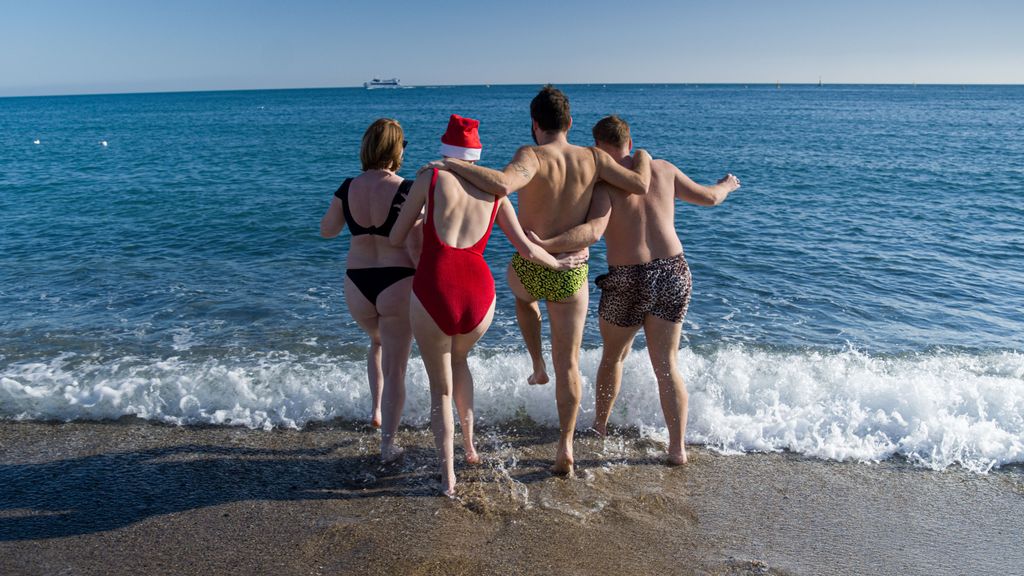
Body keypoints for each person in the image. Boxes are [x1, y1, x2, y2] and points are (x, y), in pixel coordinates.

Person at [440, 85, 652, 476]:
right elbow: (640, 185)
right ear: (570, 123)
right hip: (571, 274)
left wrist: (453, 165)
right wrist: (642, 156)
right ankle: (565, 445)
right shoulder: (593, 159)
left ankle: (537, 362)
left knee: (521, 295)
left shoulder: (531, 155)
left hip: (532, 266)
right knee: (569, 364)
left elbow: (501, 184)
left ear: (535, 124)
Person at [530, 115, 740, 464]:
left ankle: (599, 428)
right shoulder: (664, 169)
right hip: (673, 272)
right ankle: (677, 449)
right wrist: (728, 184)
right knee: (666, 363)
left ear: (598, 147)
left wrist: (545, 244)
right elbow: (710, 198)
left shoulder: (603, 184)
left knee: (613, 357)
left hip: (627, 278)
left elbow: (594, 231)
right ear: (630, 141)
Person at [391, 114, 582, 495]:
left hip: (435, 287)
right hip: (480, 295)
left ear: (446, 151)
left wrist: (424, 220)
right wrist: (559, 262)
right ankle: (471, 448)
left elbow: (398, 237)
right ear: (476, 156)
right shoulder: (497, 193)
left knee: (439, 390)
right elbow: (526, 248)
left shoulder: (431, 177)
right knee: (460, 361)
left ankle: (449, 475)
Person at [320, 118, 416, 463]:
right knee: (396, 367)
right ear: (397, 149)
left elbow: (328, 230)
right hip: (397, 281)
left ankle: (375, 411)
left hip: (357, 284)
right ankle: (389, 445)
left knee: (375, 343)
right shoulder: (407, 188)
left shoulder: (347, 187)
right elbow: (417, 244)